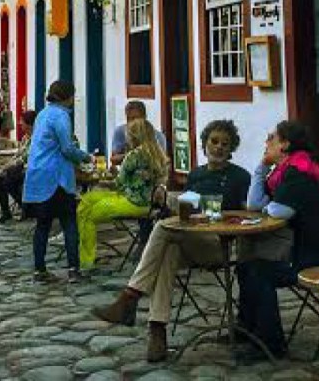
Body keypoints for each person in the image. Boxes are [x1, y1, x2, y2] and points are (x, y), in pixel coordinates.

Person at [93, 119, 251, 361]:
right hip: (190, 239)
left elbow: (248, 213)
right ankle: (157, 329)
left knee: (163, 230)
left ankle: (130, 297)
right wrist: (170, 201)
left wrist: (227, 218)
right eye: (214, 141)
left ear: (232, 149)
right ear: (205, 144)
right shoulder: (196, 175)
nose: (218, 147)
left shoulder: (240, 177)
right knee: (168, 252)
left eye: (225, 144)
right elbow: (185, 212)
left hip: (218, 245)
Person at [237, 120, 319, 360]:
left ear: (285, 144)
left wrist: (269, 207)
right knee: (246, 265)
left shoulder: (299, 171)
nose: (266, 142)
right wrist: (260, 168)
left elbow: (279, 211)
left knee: (258, 271)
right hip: (306, 248)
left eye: (271, 137)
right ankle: (248, 331)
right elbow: (255, 204)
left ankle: (270, 343)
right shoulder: (283, 171)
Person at [77, 118, 169, 269]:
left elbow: (119, 183)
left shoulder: (134, 155)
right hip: (149, 203)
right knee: (88, 198)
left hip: (133, 202)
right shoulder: (157, 152)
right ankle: (84, 253)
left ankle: (85, 260)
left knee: (87, 212)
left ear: (134, 136)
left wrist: (104, 178)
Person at [23, 80, 91, 283]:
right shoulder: (61, 116)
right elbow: (67, 148)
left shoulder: (43, 114)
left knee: (42, 224)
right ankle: (73, 269)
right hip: (56, 177)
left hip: (38, 174)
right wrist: (86, 157)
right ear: (68, 97)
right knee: (69, 222)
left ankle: (39, 270)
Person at [0, 110, 36, 222]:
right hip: (21, 168)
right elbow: (18, 155)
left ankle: (26, 208)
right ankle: (6, 212)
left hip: (31, 169)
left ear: (29, 124)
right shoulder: (25, 138)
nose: (19, 123)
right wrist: (6, 166)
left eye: (22, 122)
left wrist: (10, 167)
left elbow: (25, 158)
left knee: (8, 180)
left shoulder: (36, 139)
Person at [109, 101, 167, 165]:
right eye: (128, 119)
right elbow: (113, 159)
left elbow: (163, 162)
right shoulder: (120, 132)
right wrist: (134, 155)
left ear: (144, 117)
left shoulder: (158, 136)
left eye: (134, 118)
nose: (131, 122)